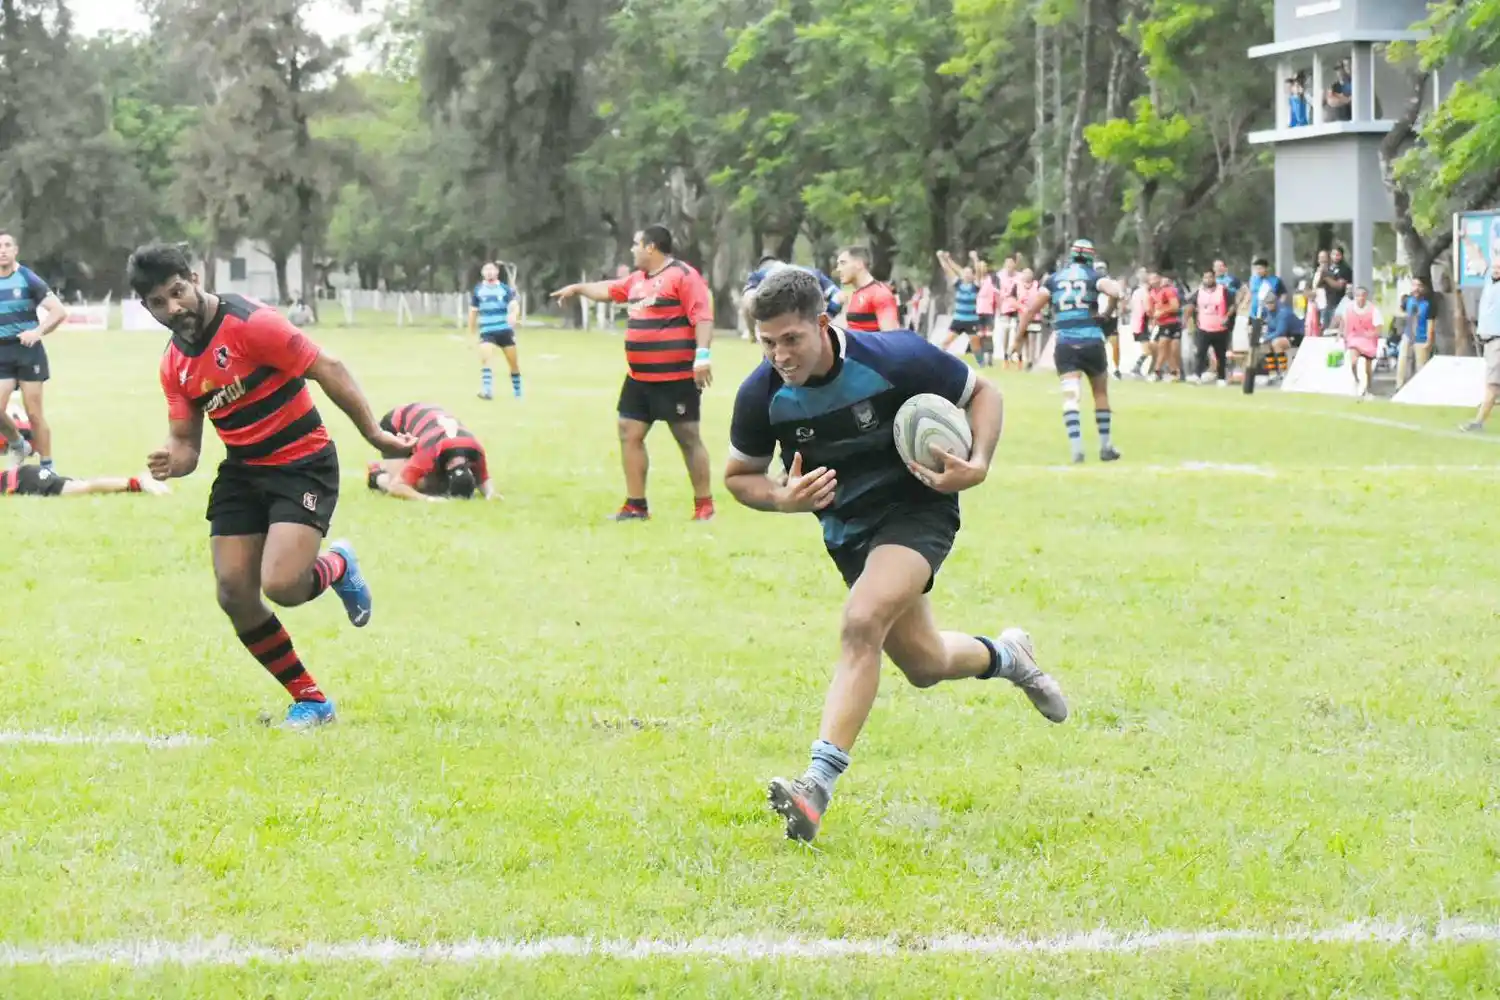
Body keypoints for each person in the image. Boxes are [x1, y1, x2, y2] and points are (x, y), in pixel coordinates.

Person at [725, 267, 1067, 843]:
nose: (780, 354)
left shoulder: (897, 358)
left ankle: (816, 787)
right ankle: (1009, 656)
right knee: (925, 664)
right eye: (767, 343)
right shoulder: (762, 395)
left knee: (861, 623)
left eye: (791, 339)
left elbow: (984, 393)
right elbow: (740, 477)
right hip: (849, 533)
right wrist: (783, 499)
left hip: (918, 510)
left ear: (822, 324)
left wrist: (978, 463)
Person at [128, 243, 413, 730]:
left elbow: (329, 367)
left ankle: (339, 564)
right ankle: (312, 701)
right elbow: (186, 446)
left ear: (193, 278)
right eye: (159, 303)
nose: (173, 308)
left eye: (177, 293)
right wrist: (170, 463)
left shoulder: (250, 323)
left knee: (282, 585)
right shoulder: (174, 363)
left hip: (302, 462)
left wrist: (374, 433)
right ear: (146, 307)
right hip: (244, 469)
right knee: (233, 590)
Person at [551, 225, 716, 521]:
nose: (632, 249)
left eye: (636, 244)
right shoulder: (637, 281)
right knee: (628, 431)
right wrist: (578, 288)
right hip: (639, 378)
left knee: (687, 436)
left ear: (651, 247)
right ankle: (635, 506)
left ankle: (704, 507)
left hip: (676, 377)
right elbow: (607, 289)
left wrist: (702, 357)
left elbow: (702, 316)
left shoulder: (682, 275)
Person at [1015, 239, 1124, 463]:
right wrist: (1107, 312)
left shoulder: (1054, 279)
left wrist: (1017, 340)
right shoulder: (1093, 277)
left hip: (1065, 343)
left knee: (1071, 395)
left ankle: (1077, 449)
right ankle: (1105, 447)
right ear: (1091, 257)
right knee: (1100, 393)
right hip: (1092, 341)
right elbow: (1116, 291)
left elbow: (1030, 310)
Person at [0, 231, 68, 471]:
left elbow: (58, 311)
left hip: (28, 352)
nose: (3, 250)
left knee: (34, 413)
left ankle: (47, 467)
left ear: (15, 250)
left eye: (7, 245)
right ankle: (19, 444)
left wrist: (37, 332)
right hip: (2, 353)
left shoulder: (27, 278)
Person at [367, 402, 497, 501]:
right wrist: (429, 499)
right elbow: (397, 487)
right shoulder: (429, 452)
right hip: (397, 424)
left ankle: (404, 467)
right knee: (421, 486)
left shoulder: (475, 449)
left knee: (429, 482)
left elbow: (483, 479)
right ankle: (376, 474)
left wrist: (491, 494)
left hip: (426, 427)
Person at [471, 262, 521, 400]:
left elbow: (514, 305)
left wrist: (514, 315)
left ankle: (518, 392)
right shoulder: (478, 290)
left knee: (513, 365)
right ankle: (487, 391)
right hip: (487, 331)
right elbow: (473, 312)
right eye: (486, 269)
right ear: (482, 273)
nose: (489, 272)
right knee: (486, 359)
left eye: (492, 269)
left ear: (497, 272)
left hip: (505, 331)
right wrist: (471, 332)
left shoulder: (505, 289)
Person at [1461, 259, 1500, 432]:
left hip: (1497, 341)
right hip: (1489, 342)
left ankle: (1478, 422)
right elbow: (1477, 258)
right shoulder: (1489, 282)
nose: (1496, 270)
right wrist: (1466, 239)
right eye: (1496, 267)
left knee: (1493, 384)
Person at [2, 463, 170, 498]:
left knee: (82, 488)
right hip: (22, 476)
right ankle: (136, 482)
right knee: (82, 486)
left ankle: (137, 483)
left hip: (22, 480)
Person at [835, 246, 899, 334]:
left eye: (843, 263)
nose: (838, 269)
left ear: (859, 264)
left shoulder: (880, 294)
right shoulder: (856, 294)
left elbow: (892, 338)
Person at [1247, 258, 1289, 386]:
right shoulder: (1253, 280)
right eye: (1256, 268)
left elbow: (1283, 293)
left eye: (1261, 268)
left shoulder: (1275, 280)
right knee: (1256, 345)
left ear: (1266, 268)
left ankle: (1280, 372)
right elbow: (1250, 295)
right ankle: (1263, 372)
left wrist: (1279, 304)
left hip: (1270, 316)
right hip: (1255, 316)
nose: (1258, 271)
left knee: (1270, 341)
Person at [1336, 286, 1382, 399]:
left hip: (1368, 339)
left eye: (1363, 295)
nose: (1360, 298)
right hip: (1354, 337)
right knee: (1353, 361)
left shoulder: (1373, 309)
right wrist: (1340, 333)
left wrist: (1373, 334)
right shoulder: (1349, 308)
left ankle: (1369, 385)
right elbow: (1343, 320)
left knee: (1367, 368)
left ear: (1366, 297)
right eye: (1358, 295)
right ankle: (1356, 379)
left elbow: (1379, 325)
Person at [937, 251, 981, 356]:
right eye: (965, 273)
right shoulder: (958, 284)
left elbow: (978, 271)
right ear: (962, 275)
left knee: (975, 346)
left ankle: (981, 365)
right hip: (958, 319)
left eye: (969, 273)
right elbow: (947, 269)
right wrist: (941, 258)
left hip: (971, 320)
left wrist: (975, 258)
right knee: (946, 342)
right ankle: (938, 358)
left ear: (972, 275)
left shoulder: (975, 286)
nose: (967, 275)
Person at [1398, 277, 1435, 388]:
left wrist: (1429, 340)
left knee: (1421, 365)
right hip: (1408, 335)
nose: (1416, 288)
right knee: (1402, 362)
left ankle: (1421, 387)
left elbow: (1430, 323)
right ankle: (1399, 386)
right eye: (1414, 285)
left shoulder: (1428, 304)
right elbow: (1400, 311)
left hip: (1421, 337)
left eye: (1419, 286)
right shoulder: (1408, 300)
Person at [1147, 270, 1184, 381]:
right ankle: (1161, 371)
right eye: (1151, 280)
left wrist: (1162, 311)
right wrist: (1153, 318)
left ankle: (1174, 372)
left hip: (1174, 322)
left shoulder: (1168, 291)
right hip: (1163, 324)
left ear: (1159, 279)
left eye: (1155, 279)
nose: (1153, 282)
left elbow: (1175, 306)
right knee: (1163, 347)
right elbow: (1151, 310)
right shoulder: (1151, 294)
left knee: (1173, 349)